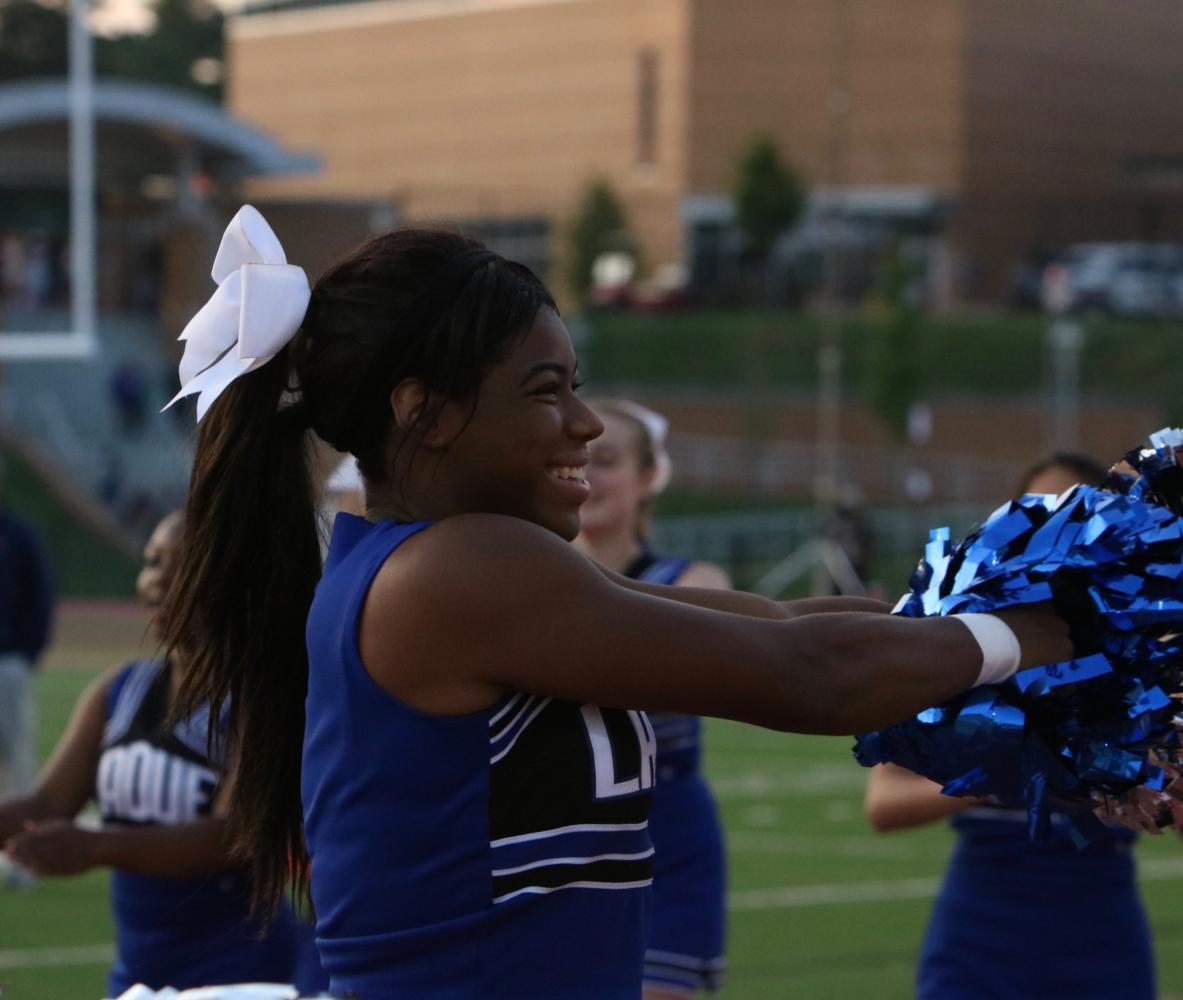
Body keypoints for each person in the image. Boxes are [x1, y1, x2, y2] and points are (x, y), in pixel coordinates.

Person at [161, 206, 1069, 1000]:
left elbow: (782, 626)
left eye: (576, 386)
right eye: (544, 391)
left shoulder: (457, 568)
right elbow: (812, 680)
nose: (585, 425)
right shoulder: (457, 573)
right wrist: (1060, 631)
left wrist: (1013, 600)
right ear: (423, 412)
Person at [863, 452, 1154, 1000]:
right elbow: (883, 805)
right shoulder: (965, 639)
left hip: (1100, 923)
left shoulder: (1142, 653)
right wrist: (999, 770)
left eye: (1072, 513)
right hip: (981, 921)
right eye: (1035, 513)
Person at [0, 512, 306, 995]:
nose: (159, 579)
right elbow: (46, 806)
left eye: (183, 565)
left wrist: (97, 848)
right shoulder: (120, 690)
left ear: (233, 577)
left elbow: (231, 837)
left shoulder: (256, 700)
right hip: (138, 975)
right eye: (152, 561)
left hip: (241, 973)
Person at [574, 399, 728, 998]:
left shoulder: (695, 581)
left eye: (607, 461)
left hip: (667, 838)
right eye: (578, 460)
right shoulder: (529, 577)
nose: (589, 477)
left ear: (648, 478)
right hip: (565, 844)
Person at [0, 455, 55, 886]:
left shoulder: (17, 535)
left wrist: (26, 653)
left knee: (19, 764)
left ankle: (22, 862)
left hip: (9, 663)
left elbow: (40, 596)